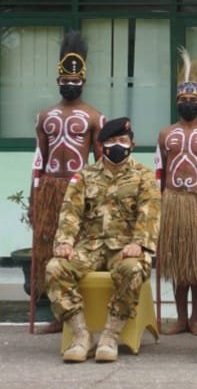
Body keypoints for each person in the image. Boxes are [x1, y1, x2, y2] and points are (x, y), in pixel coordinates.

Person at [45, 117, 160, 363]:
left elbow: (149, 212)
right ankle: (80, 335)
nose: (117, 145)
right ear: (101, 147)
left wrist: (139, 243)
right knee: (55, 268)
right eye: (111, 141)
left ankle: (110, 335)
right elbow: (70, 212)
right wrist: (65, 242)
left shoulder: (144, 176)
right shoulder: (84, 177)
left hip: (125, 248)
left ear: (132, 144)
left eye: (123, 140)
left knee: (133, 268)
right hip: (90, 247)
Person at [31, 31, 105, 334]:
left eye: (75, 81)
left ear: (84, 82)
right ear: (57, 80)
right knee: (50, 250)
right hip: (50, 187)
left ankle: (82, 312)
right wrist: (35, 197)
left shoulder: (94, 117)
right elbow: (39, 159)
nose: (69, 85)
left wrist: (99, 197)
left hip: (79, 189)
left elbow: (101, 163)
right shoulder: (45, 116)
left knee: (77, 251)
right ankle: (58, 315)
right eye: (64, 80)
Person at [155, 48, 197, 335]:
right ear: (176, 102)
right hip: (172, 202)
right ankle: (180, 318)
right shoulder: (165, 134)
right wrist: (157, 206)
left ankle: (196, 317)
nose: (187, 104)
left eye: (192, 100)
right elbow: (159, 174)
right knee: (177, 263)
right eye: (183, 100)